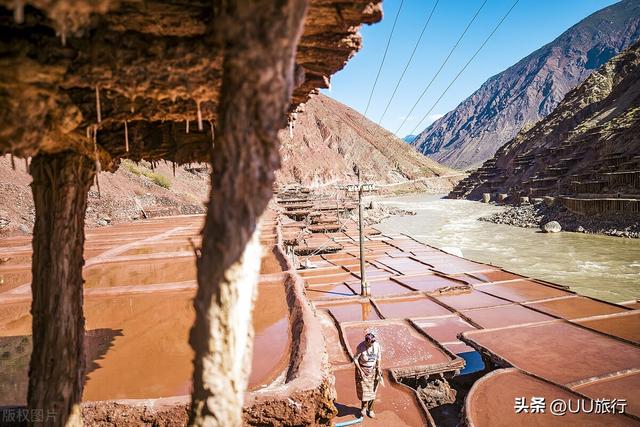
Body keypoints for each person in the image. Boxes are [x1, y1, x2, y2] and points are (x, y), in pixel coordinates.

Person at [353, 331, 383, 418]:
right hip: (363, 370)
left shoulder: (376, 345)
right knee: (364, 391)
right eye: (370, 344)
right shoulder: (361, 347)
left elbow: (379, 356)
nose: (372, 345)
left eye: (373, 343)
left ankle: (371, 410)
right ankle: (363, 408)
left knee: (373, 391)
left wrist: (379, 367)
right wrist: (360, 371)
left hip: (373, 370)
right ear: (366, 341)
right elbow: (355, 359)